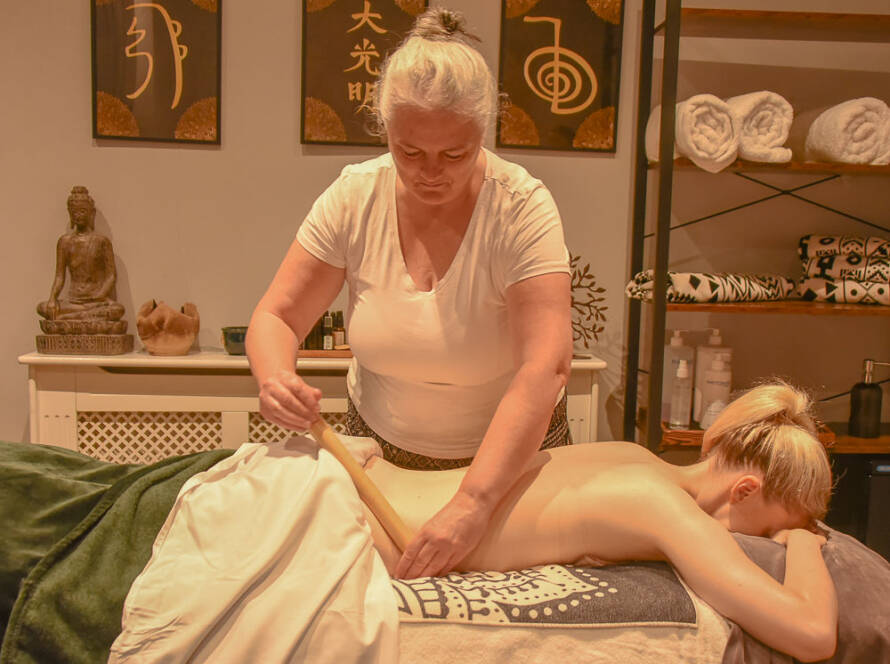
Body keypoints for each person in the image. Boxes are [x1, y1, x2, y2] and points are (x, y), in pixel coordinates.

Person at [247, 7, 572, 579]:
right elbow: (277, 316)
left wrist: (474, 501)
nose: (430, 173)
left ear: (484, 132)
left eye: (454, 155)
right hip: (381, 452)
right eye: (409, 152)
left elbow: (545, 367)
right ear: (385, 130)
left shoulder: (520, 207)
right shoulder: (355, 197)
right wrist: (275, 377)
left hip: (507, 466)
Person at [359, 381, 838, 662]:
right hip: (365, 526)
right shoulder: (665, 507)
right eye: (767, 530)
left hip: (363, 480)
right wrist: (803, 542)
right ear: (745, 491)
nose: (763, 541)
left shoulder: (634, 456)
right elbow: (813, 635)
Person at [36, 185, 125, 324]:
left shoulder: (102, 241)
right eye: (74, 212)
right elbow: (59, 276)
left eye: (83, 211)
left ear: (91, 213)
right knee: (42, 308)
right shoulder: (64, 242)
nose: (78, 215)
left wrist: (99, 296)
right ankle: (81, 317)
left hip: (96, 301)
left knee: (117, 310)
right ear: (70, 214)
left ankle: (67, 318)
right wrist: (52, 299)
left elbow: (111, 276)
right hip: (73, 302)